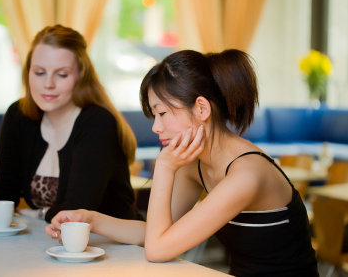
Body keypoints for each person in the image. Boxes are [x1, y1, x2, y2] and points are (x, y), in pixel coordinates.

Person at [45, 49, 319, 276]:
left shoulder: (246, 174)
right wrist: (91, 219)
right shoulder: (196, 165)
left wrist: (165, 167)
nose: (156, 127)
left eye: (162, 113)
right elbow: (155, 233)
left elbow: (157, 249)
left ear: (201, 108)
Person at [0, 25, 142, 226]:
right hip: (55, 243)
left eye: (62, 74)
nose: (48, 84)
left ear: (80, 76)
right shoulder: (18, 116)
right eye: (39, 72)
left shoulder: (97, 123)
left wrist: (36, 214)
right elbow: (5, 191)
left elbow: (77, 210)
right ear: (27, 72)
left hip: (116, 247)